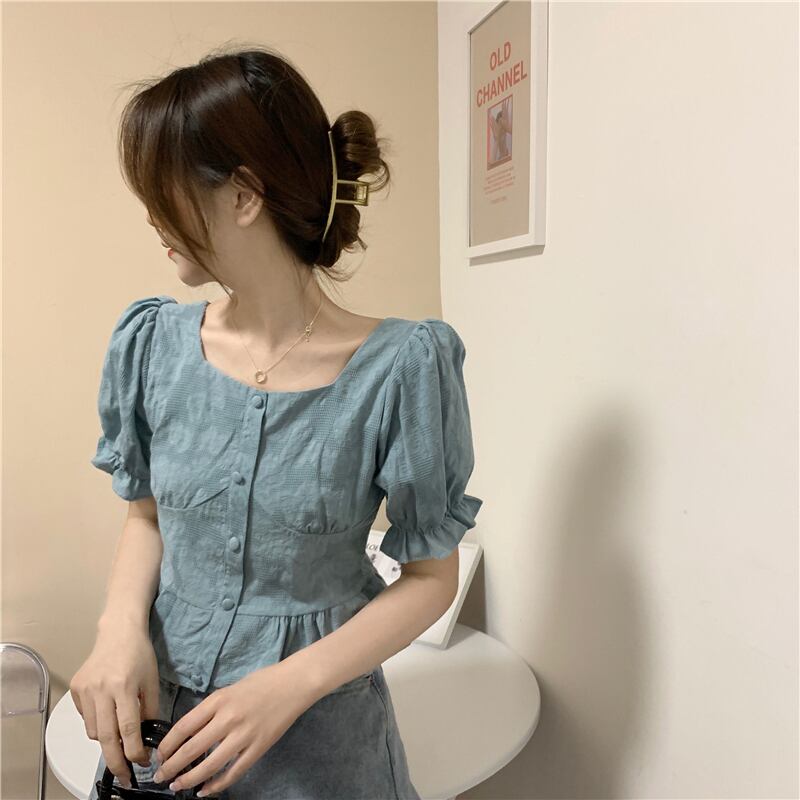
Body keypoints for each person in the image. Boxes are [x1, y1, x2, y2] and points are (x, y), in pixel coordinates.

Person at [71, 43, 483, 800]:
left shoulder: (400, 366)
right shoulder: (153, 344)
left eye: (163, 192)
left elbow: (431, 577)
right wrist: (117, 629)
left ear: (243, 195)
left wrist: (289, 684)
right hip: (162, 731)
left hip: (320, 745)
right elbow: (148, 516)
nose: (152, 217)